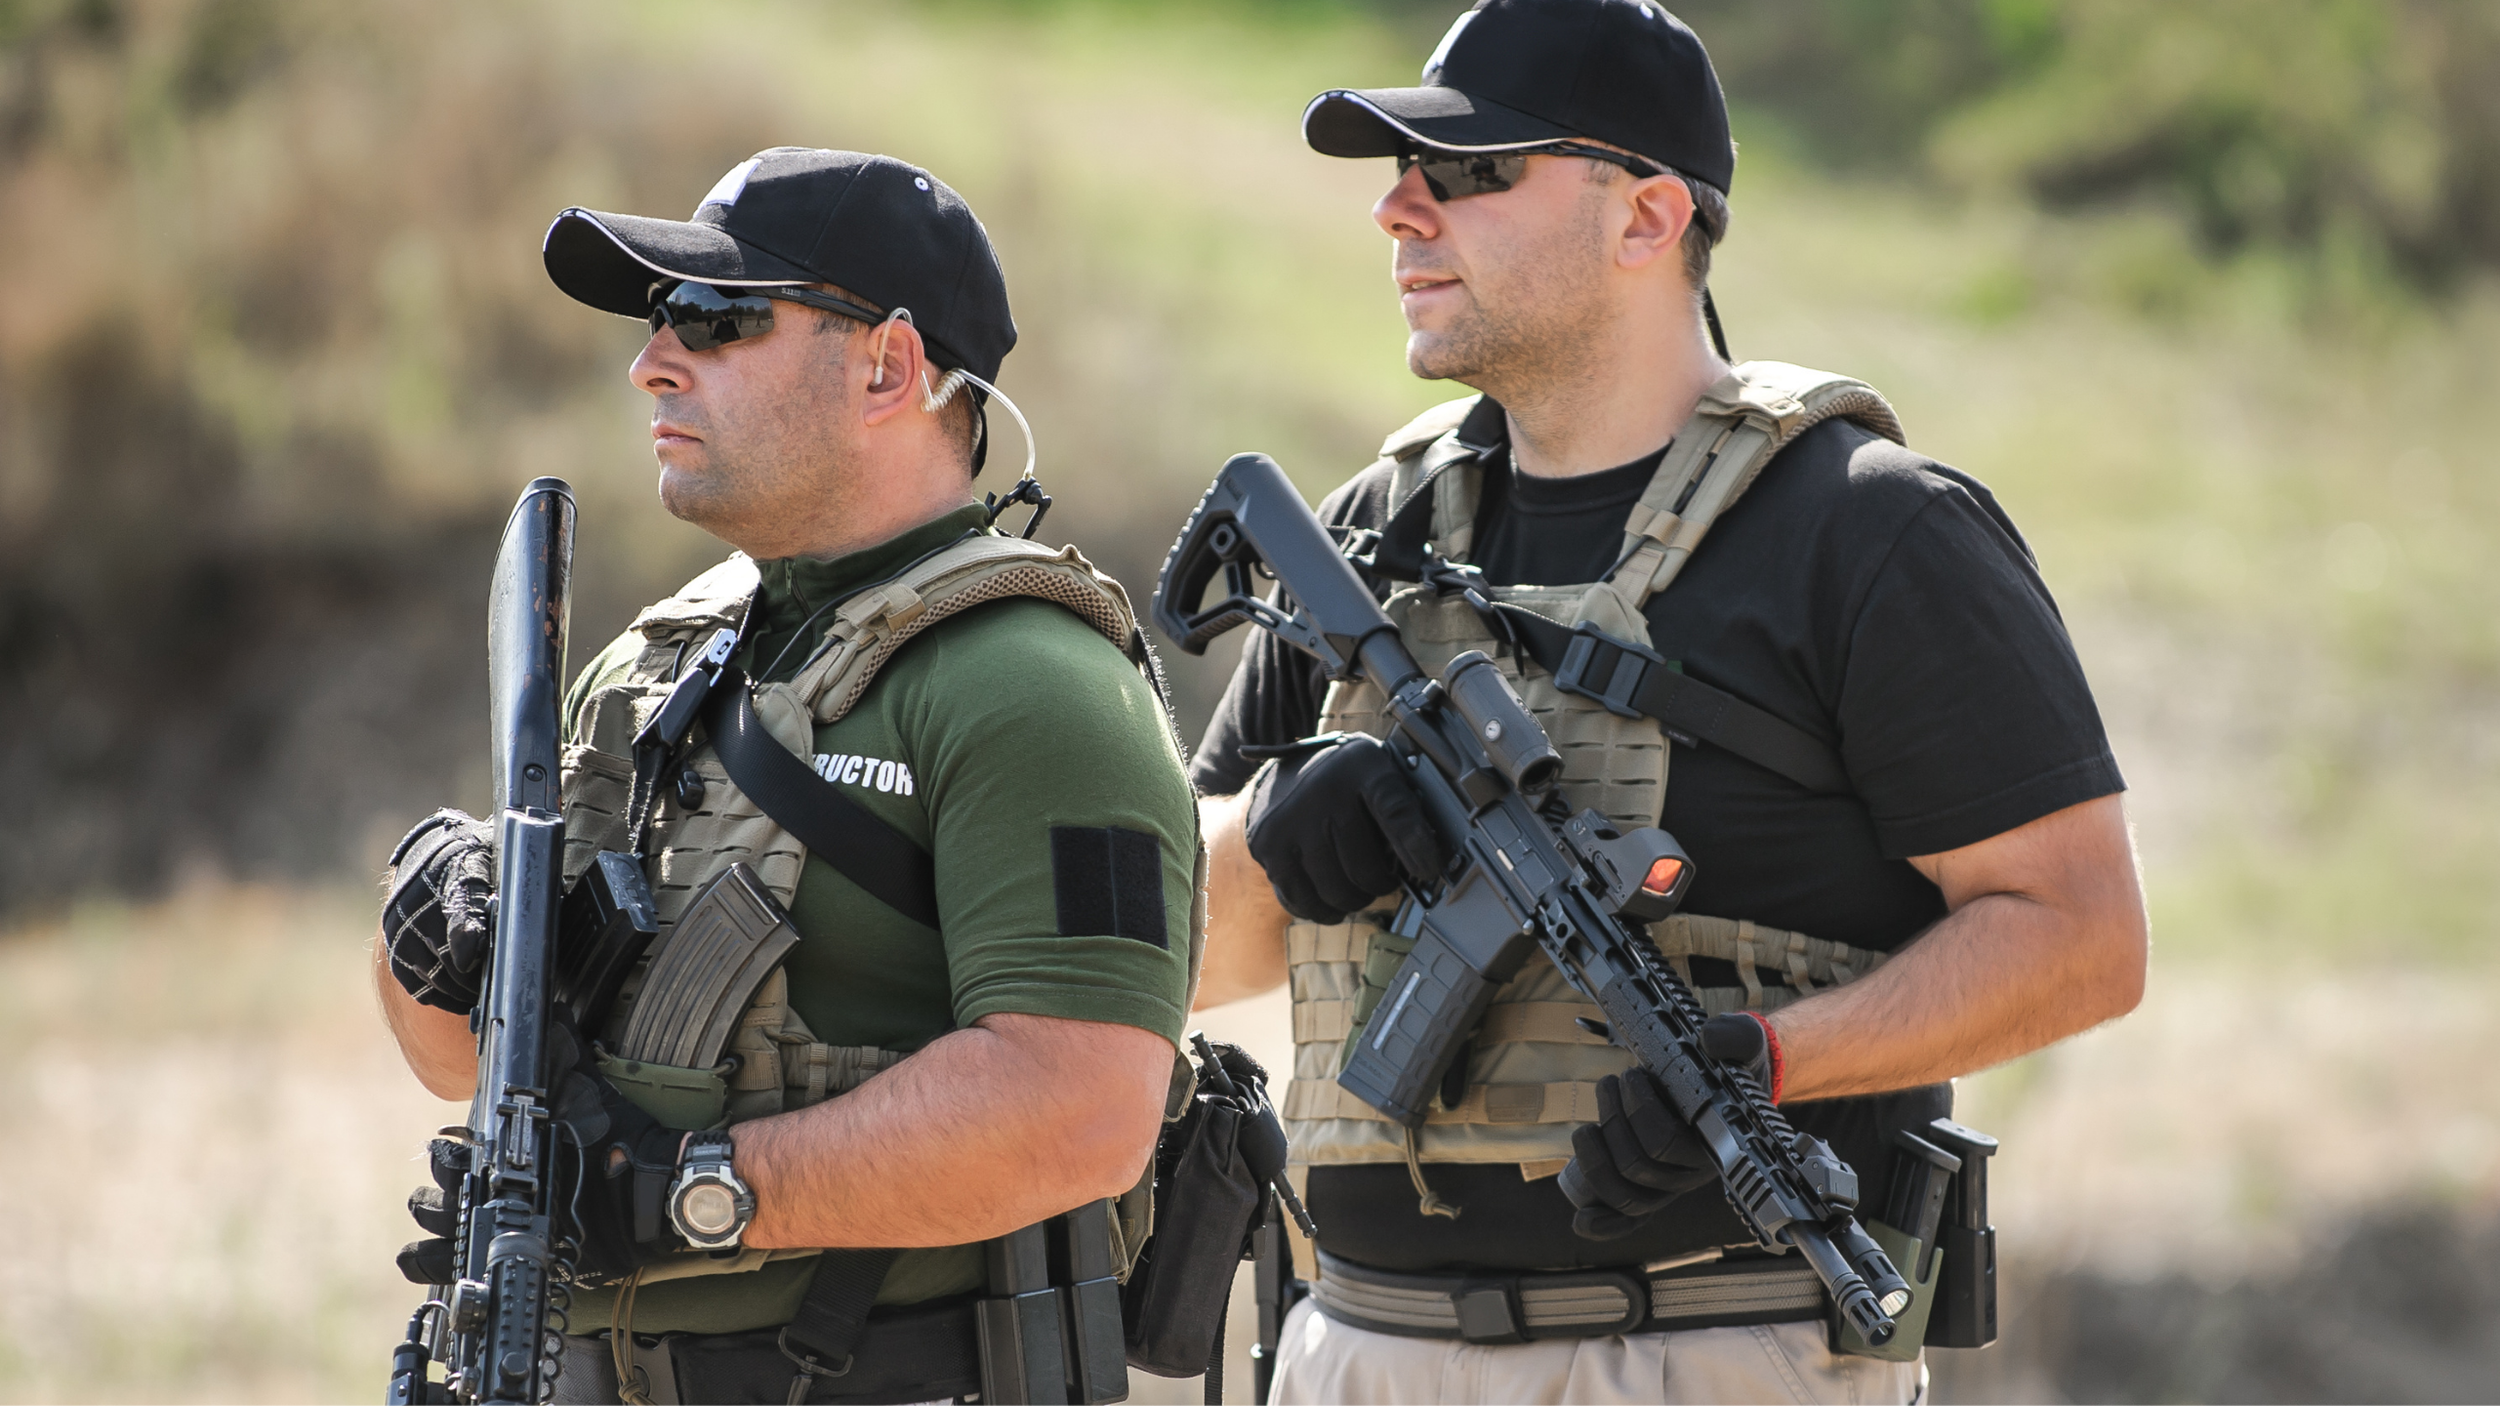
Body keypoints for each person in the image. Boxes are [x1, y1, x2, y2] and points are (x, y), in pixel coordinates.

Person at [1185, 3, 2150, 1402]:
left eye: (1464, 173)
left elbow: (2083, 935)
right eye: (1400, 175)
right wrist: (1278, 833)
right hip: (1360, 1347)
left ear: (1644, 217)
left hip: (1711, 1345)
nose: (1398, 211)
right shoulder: (1368, 532)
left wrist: (1770, 1058)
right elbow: (1186, 963)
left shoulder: (1869, 531)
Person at [372, 147, 1201, 1404]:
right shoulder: (654, 664)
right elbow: (453, 1058)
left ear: (889, 365)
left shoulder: (1036, 687)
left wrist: (691, 1192)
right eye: (659, 320)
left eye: (715, 318)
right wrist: (432, 929)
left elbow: (1083, 1101)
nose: (654, 358)